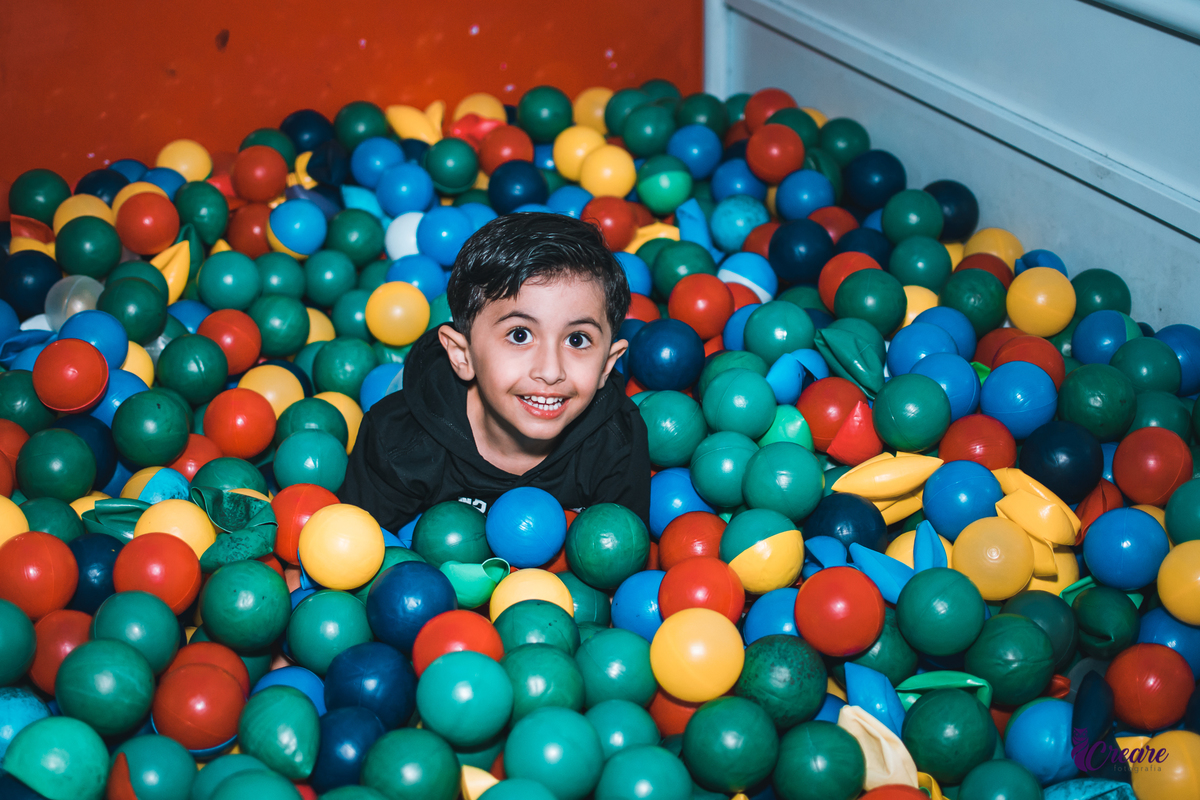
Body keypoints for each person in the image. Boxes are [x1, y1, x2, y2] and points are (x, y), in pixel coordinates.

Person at [339, 212, 651, 533]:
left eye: (577, 339)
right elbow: (350, 553)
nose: (550, 370)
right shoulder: (399, 441)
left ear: (607, 365)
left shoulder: (617, 444)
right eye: (520, 335)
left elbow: (620, 563)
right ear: (463, 355)